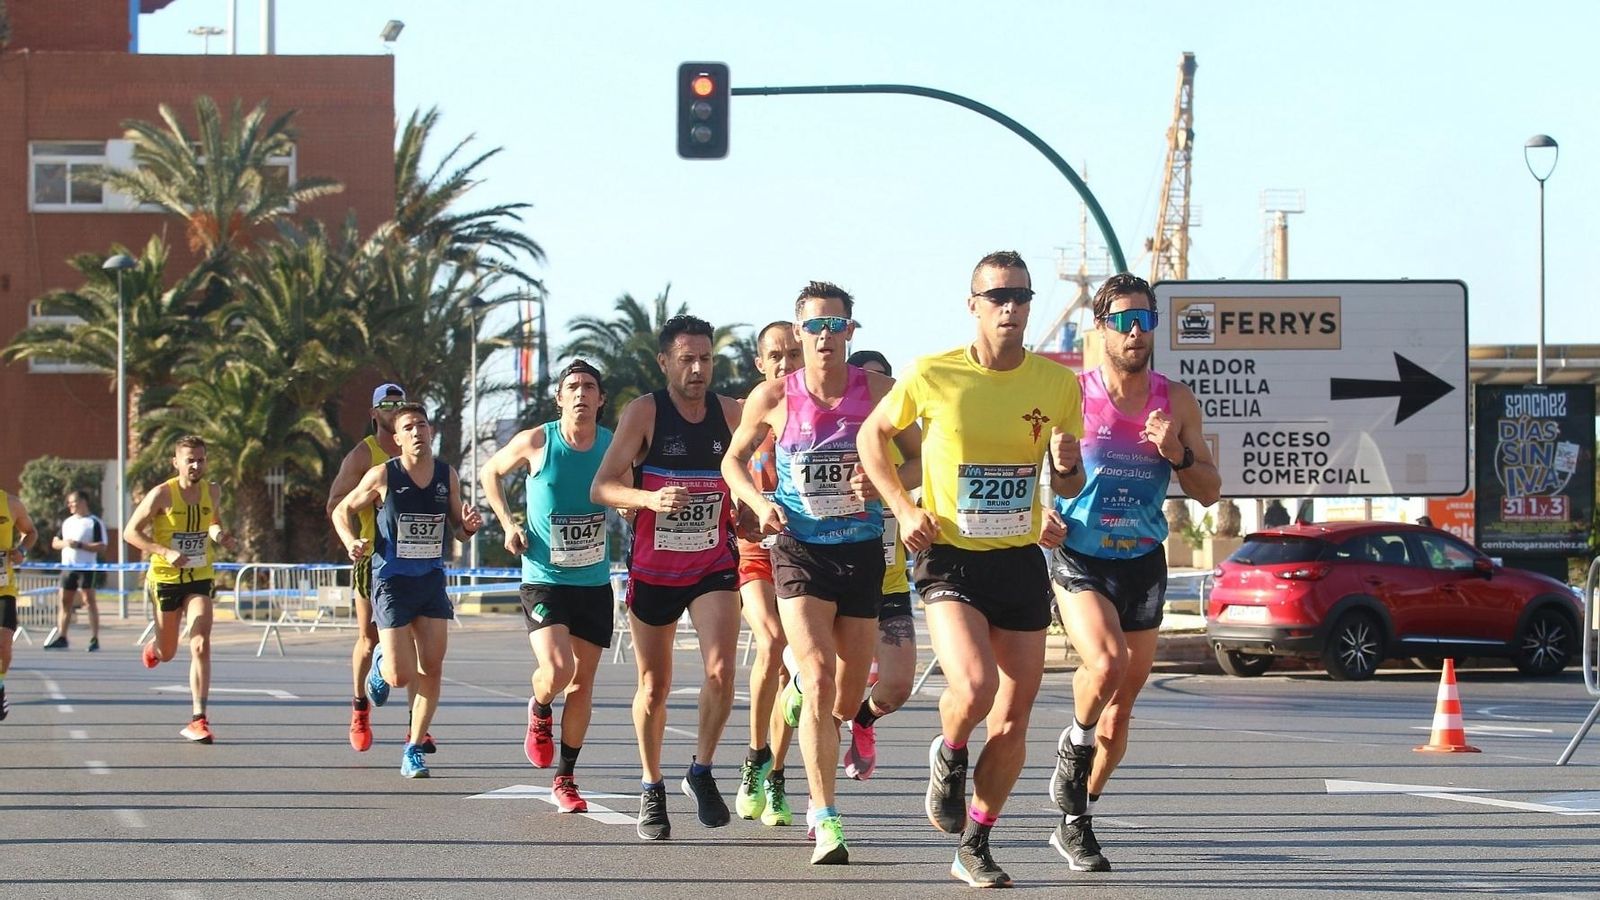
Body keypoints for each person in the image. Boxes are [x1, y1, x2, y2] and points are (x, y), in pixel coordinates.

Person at [858, 250, 1084, 887]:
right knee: (977, 683)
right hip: (949, 552)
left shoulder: (1057, 384)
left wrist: (1064, 470)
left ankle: (977, 841)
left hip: (1017, 559)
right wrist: (903, 507)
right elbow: (872, 438)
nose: (1010, 306)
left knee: (1014, 716)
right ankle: (950, 751)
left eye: (1020, 295)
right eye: (997, 296)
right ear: (974, 304)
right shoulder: (934, 374)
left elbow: (1069, 476)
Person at [724, 282, 919, 865]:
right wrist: (761, 506)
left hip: (860, 553)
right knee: (814, 669)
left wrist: (887, 483)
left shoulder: (880, 391)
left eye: (837, 326)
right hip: (798, 548)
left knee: (844, 689)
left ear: (851, 332)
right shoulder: (774, 396)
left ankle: (798, 703)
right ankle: (824, 815)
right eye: (815, 327)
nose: (825, 337)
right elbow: (732, 461)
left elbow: (921, 453)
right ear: (799, 330)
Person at [1048, 273, 1221, 872]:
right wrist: (1048, 500)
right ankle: (1073, 747)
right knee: (1107, 663)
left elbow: (1209, 492)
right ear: (1101, 328)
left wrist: (1178, 453)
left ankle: (1077, 812)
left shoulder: (1175, 401)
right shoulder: (1072, 394)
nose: (1135, 331)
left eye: (1145, 320)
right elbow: (1046, 475)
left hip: (1143, 559)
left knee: (1120, 713)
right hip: (1082, 554)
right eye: (1123, 320)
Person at [591, 314, 744, 841]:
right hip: (654, 569)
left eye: (705, 358)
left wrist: (746, 512)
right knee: (654, 686)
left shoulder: (731, 414)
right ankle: (651, 785)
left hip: (712, 564)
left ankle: (700, 770)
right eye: (686, 359)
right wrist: (649, 498)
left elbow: (745, 479)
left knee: (722, 670)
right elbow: (603, 487)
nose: (698, 369)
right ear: (665, 361)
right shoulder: (644, 412)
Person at [480, 360, 614, 813]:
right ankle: (539, 708)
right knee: (558, 670)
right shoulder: (538, 440)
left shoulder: (613, 445)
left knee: (582, 685)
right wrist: (506, 522)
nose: (580, 393)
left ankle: (566, 777)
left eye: (589, 387)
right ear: (560, 398)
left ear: (600, 399)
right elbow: (489, 473)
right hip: (544, 577)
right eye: (572, 387)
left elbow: (629, 488)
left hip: (594, 581)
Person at [334, 403, 481, 778]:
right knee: (401, 677)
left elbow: (457, 529)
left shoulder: (447, 475)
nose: (418, 431)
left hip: (430, 580)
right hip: (392, 581)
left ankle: (413, 747)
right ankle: (383, 663)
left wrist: (467, 527)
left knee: (432, 667)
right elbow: (341, 510)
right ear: (397, 439)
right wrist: (351, 540)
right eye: (409, 428)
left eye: (422, 425)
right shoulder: (382, 474)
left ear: (431, 432)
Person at [730, 321, 804, 828]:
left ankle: (776, 772)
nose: (785, 363)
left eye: (793, 354)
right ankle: (754, 757)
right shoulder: (749, 410)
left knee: (793, 674)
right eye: (775, 355)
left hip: (804, 552)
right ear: (760, 363)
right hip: (755, 548)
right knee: (772, 640)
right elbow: (722, 465)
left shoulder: (821, 414)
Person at [125, 435, 238, 743]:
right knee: (169, 651)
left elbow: (212, 522)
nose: (196, 465)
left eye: (200, 459)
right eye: (190, 460)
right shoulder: (161, 494)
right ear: (176, 462)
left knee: (200, 642)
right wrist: (163, 551)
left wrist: (220, 536)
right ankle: (156, 648)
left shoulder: (212, 491)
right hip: (166, 578)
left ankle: (198, 718)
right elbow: (130, 532)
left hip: (199, 575)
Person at [841, 349, 920, 783]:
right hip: (838, 575)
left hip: (889, 579)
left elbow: (932, 478)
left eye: (882, 386)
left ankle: (865, 720)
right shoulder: (835, 435)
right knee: (828, 687)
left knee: (895, 688)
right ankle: (820, 805)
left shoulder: (903, 448)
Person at [326, 383, 414, 753]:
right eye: (387, 405)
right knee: (369, 638)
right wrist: (353, 537)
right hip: (373, 558)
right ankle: (360, 706)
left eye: (400, 404)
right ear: (374, 413)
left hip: (415, 559)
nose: (395, 410)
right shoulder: (364, 455)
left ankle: (417, 728)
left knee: (418, 644)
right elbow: (335, 503)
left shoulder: (417, 449)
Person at [45, 491, 107, 651]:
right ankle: (62, 636)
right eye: (69, 503)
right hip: (68, 567)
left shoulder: (94, 522)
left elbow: (102, 546)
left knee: (89, 601)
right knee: (65, 601)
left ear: (83, 502)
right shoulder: (67, 522)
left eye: (74, 502)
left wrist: (80, 545)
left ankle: (94, 638)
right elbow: (55, 543)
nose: (70, 505)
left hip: (87, 567)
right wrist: (66, 543)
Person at [0, 489, 40, 722]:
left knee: (4, 643)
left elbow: (31, 532)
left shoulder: (11, 503)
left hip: (3, 587)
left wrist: (21, 550)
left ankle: (0, 684)